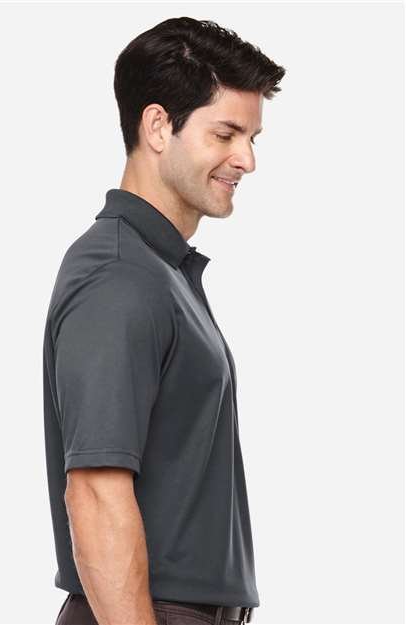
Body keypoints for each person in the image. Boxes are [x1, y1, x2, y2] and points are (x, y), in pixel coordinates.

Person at [43, 16, 285, 625]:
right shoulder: (119, 276)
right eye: (226, 134)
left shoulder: (159, 271)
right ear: (157, 126)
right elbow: (95, 492)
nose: (247, 159)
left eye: (253, 137)